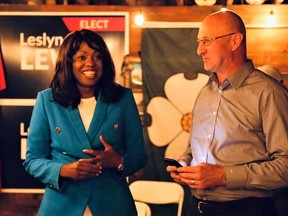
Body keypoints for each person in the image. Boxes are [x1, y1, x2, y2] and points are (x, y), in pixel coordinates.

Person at [166, 10, 288, 216]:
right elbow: (193, 146)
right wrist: (185, 164)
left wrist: (223, 176)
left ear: (235, 41)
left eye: (206, 41)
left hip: (246, 210)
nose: (199, 50)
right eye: (199, 41)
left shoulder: (268, 93)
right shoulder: (206, 91)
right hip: (196, 207)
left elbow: (285, 166)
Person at [23, 29, 147, 216]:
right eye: (81, 57)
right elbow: (33, 160)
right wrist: (63, 170)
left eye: (97, 57)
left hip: (113, 205)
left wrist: (118, 161)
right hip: (61, 205)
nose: (90, 63)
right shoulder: (47, 100)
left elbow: (139, 157)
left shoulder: (123, 98)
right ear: (68, 62)